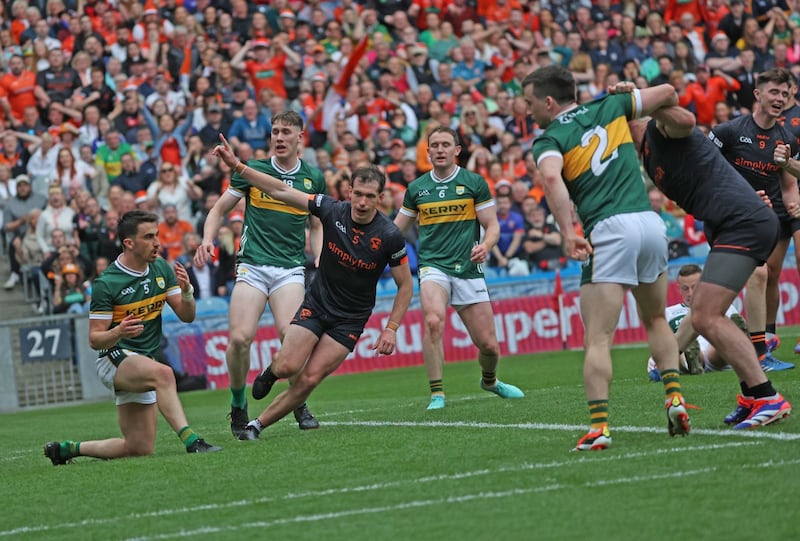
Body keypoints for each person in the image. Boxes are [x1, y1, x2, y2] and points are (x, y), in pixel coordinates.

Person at [524, 65, 690, 451]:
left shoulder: (551, 137)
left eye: (529, 102)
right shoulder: (613, 104)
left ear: (549, 102)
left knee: (598, 337)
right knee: (655, 318)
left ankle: (599, 427)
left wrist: (568, 232)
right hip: (649, 222)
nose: (527, 109)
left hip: (609, 229)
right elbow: (668, 92)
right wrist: (632, 91)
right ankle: (674, 397)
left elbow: (551, 179)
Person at [212, 138, 413, 442]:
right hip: (318, 304)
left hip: (350, 319)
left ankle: (256, 425)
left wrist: (391, 329)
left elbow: (406, 286)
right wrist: (239, 167)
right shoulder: (331, 209)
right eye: (357, 194)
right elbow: (281, 190)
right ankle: (271, 371)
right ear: (349, 192)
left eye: (369, 197)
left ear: (380, 198)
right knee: (288, 365)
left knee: (309, 379)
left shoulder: (389, 236)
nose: (361, 202)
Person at [625, 91, 793, 430]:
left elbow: (686, 118)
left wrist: (647, 99)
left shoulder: (659, 130)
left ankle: (767, 396)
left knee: (703, 315)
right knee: (702, 315)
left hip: (741, 224)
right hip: (730, 224)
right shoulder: (645, 152)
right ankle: (751, 394)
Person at [44, 210, 222, 465]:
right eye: (149, 237)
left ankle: (67, 450)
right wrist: (118, 332)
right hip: (113, 358)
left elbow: (187, 316)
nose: (157, 243)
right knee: (164, 374)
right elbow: (95, 339)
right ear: (129, 243)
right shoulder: (107, 283)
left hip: (142, 362)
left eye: (157, 235)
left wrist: (186, 292)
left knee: (138, 447)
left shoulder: (161, 267)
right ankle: (193, 441)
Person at [194, 111, 326, 437]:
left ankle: (297, 402)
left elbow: (317, 222)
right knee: (240, 339)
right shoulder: (253, 170)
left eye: (286, 132)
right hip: (252, 265)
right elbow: (218, 209)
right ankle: (238, 403)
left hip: (290, 269)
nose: (279, 137)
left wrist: (320, 252)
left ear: (300, 138)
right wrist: (208, 238)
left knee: (289, 336)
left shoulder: (313, 177)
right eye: (275, 132)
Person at [393, 126, 525, 411]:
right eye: (434, 146)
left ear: (456, 150)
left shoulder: (474, 183)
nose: (439, 150)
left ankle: (489, 381)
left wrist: (486, 245)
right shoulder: (417, 189)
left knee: (489, 346)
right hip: (433, 267)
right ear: (427, 152)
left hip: (467, 268)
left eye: (445, 145)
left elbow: (492, 225)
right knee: (433, 321)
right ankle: (437, 393)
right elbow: (395, 231)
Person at [707, 68, 797, 372]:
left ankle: (670, 358)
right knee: (756, 277)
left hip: (760, 217)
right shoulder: (727, 131)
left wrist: (791, 193)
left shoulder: (785, 138)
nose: (780, 98)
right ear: (757, 94)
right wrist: (739, 197)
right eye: (774, 92)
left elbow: (788, 181)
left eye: (785, 94)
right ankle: (760, 354)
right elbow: (705, 170)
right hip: (726, 216)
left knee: (716, 300)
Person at [645, 264, 747, 378]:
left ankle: (734, 337)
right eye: (685, 288)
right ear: (678, 287)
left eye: (694, 287)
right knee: (674, 348)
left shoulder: (722, 307)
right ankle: (692, 361)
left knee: (722, 342)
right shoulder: (668, 313)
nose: (690, 293)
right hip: (682, 354)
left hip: (715, 352)